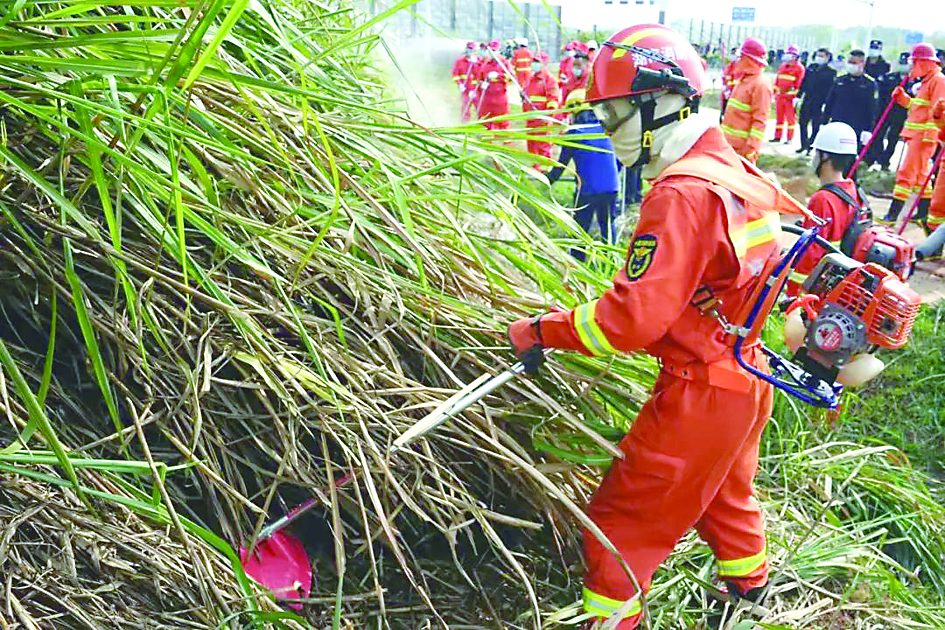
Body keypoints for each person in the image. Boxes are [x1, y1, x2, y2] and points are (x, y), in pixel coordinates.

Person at [508, 23, 788, 629]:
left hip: (700, 393)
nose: (609, 132)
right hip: (747, 376)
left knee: (618, 529)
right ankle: (748, 598)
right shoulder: (736, 171)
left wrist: (542, 329)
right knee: (725, 497)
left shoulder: (681, 194)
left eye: (615, 115)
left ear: (660, 101)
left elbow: (631, 319)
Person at [787, 122, 866, 293]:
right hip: (834, 282)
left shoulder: (822, 199)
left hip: (817, 287)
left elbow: (810, 253)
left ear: (825, 157)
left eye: (816, 152)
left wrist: (793, 293)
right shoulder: (854, 191)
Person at [546, 89, 620, 260]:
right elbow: (619, 160)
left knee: (580, 228)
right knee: (608, 225)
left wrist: (546, 180)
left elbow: (561, 165)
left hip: (588, 189)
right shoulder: (606, 129)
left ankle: (577, 261)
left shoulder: (574, 133)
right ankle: (611, 261)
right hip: (612, 187)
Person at [879, 43, 945, 225]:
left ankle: (892, 215)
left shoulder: (938, 80)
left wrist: (930, 135)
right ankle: (923, 213)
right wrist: (903, 100)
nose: (911, 67)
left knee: (906, 173)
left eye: (914, 63)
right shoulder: (927, 81)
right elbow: (919, 107)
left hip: (923, 137)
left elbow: (938, 110)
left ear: (923, 62)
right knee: (921, 175)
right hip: (916, 135)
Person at [721, 37, 771, 162]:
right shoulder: (744, 81)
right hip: (728, 147)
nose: (738, 61)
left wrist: (751, 150)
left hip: (742, 152)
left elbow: (760, 121)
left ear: (749, 60)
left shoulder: (760, 85)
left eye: (741, 57)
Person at [823, 50, 877, 152]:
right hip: (837, 123)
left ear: (862, 63)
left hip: (856, 126)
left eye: (854, 63)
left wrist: (868, 130)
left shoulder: (869, 84)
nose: (851, 65)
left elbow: (872, 109)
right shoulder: (840, 80)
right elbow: (830, 102)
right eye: (849, 62)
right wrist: (824, 121)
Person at [866, 52, 911, 169]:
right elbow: (880, 94)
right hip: (885, 112)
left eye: (906, 63)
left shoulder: (914, 82)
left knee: (893, 139)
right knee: (878, 136)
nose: (903, 66)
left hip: (901, 115)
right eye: (901, 63)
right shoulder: (889, 78)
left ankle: (885, 161)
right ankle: (878, 158)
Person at [523, 52, 561, 164]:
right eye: (533, 61)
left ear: (544, 63)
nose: (534, 64)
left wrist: (548, 116)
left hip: (542, 118)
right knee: (532, 143)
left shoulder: (549, 80)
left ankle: (545, 168)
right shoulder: (531, 78)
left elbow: (553, 99)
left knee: (543, 144)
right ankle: (535, 167)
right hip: (531, 117)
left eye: (537, 62)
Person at [796, 48, 836, 154]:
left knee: (816, 125)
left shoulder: (830, 72)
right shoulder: (811, 68)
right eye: (818, 55)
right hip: (808, 99)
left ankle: (811, 144)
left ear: (827, 57)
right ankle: (803, 144)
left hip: (819, 102)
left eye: (822, 56)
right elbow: (804, 83)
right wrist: (798, 96)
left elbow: (830, 90)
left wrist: (827, 103)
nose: (819, 58)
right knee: (802, 122)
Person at [474, 41, 512, 135]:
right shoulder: (486, 65)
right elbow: (480, 78)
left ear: (498, 51)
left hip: (500, 96)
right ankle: (486, 139)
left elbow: (510, 77)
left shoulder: (504, 63)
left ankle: (504, 139)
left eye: (494, 50)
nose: (492, 53)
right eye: (490, 51)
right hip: (487, 97)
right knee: (486, 120)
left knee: (502, 120)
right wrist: (482, 84)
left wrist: (499, 76)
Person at [772, 44, 806, 144]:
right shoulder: (782, 66)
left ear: (795, 56)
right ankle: (777, 136)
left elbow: (799, 85)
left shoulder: (799, 68)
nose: (786, 55)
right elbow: (777, 81)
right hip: (780, 97)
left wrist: (795, 97)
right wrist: (775, 93)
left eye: (789, 54)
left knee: (790, 119)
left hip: (790, 98)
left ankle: (789, 138)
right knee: (779, 118)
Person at [452, 42, 478, 122]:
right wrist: (459, 84)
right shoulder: (460, 61)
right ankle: (465, 121)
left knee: (479, 106)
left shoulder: (478, 61)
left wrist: (475, 64)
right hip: (465, 88)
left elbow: (480, 73)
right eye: (468, 49)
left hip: (476, 89)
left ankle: (482, 122)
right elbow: (455, 74)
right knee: (465, 105)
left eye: (471, 49)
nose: (469, 51)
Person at [721, 47, 739, 116]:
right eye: (732, 53)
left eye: (734, 54)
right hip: (726, 94)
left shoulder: (739, 67)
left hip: (735, 95)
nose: (733, 55)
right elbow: (725, 78)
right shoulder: (729, 66)